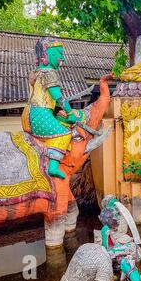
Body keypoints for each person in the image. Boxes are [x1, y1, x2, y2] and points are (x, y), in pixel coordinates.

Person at [22, 37, 83, 179]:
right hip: (39, 115)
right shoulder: (49, 73)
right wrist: (69, 112)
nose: (62, 58)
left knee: (62, 122)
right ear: (46, 55)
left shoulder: (35, 73)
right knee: (65, 134)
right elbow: (57, 97)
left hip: (29, 114)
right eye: (57, 54)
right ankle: (53, 166)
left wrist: (58, 112)